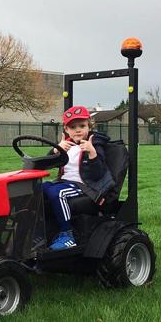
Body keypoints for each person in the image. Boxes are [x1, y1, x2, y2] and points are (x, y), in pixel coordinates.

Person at [42, 105, 115, 250]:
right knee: (39, 188)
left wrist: (92, 153)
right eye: (73, 127)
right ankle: (38, 230)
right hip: (64, 182)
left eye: (82, 125)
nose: (78, 130)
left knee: (57, 193)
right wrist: (56, 149)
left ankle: (67, 235)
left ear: (89, 126)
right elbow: (46, 163)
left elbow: (98, 173)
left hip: (85, 186)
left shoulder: (94, 144)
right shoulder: (66, 146)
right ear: (66, 129)